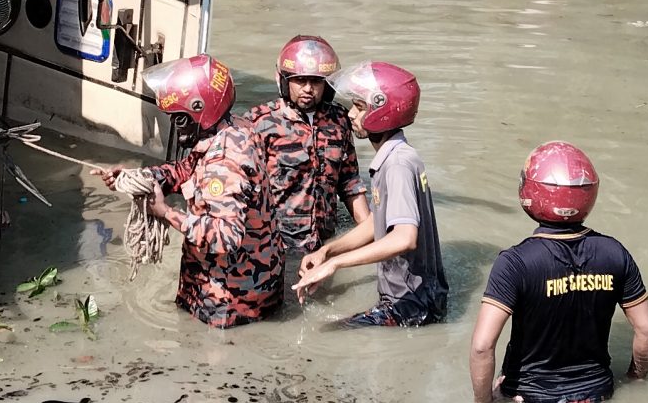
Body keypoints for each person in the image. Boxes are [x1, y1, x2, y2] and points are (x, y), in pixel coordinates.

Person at [468, 143, 648, 403]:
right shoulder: (615, 253)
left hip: (529, 401)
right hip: (599, 397)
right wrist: (634, 379)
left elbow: (482, 346)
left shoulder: (514, 263)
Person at [129, 55, 281, 329]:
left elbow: (225, 238)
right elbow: (186, 170)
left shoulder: (225, 162)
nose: (175, 127)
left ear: (200, 111)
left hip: (230, 300)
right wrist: (138, 177)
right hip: (232, 286)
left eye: (179, 119)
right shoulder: (233, 128)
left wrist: (165, 213)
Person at [297, 61, 445, 326]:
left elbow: (404, 238)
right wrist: (327, 251)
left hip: (409, 305)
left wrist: (336, 265)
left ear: (383, 111)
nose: (351, 114)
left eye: (360, 107)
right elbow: (377, 223)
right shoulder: (398, 155)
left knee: (327, 332)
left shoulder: (397, 165)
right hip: (421, 298)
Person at [237, 36, 363, 278]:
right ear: (284, 81)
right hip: (273, 247)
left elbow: (350, 184)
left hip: (323, 246)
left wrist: (370, 235)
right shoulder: (259, 122)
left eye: (316, 82)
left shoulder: (340, 121)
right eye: (300, 81)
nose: (308, 89)